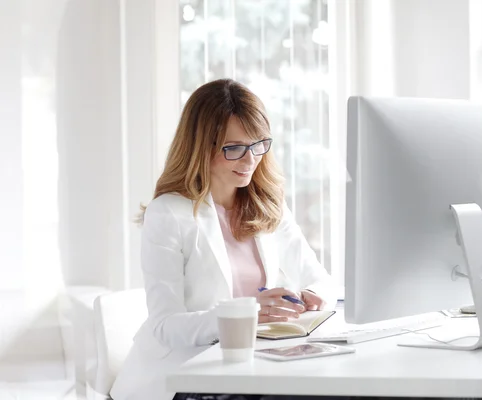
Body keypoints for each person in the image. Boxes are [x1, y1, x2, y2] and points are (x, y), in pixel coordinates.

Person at [110, 79, 338, 400]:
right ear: (200, 146)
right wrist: (243, 313)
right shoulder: (168, 214)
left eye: (259, 144)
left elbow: (323, 283)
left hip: (253, 365)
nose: (250, 160)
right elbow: (165, 325)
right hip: (185, 371)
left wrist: (311, 295)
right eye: (233, 149)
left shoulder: (268, 205)